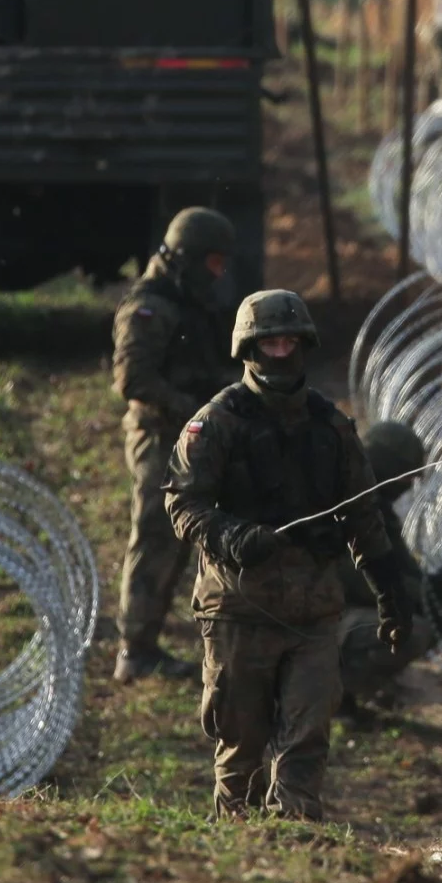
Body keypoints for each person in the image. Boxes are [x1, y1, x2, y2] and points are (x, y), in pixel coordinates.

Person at [164, 289, 409, 818]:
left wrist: (392, 593)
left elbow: (364, 517)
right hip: (238, 610)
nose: (280, 352)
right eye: (268, 343)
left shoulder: (332, 427)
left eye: (289, 342)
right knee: (241, 751)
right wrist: (231, 537)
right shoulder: (217, 424)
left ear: (305, 345)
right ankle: (241, 857)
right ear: (248, 349)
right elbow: (183, 504)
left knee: (306, 744)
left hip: (313, 615)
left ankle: (299, 847)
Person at [110, 207, 239, 682]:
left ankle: (150, 642)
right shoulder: (150, 306)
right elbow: (133, 378)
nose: (219, 274)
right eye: (213, 263)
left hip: (189, 434)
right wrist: (192, 407)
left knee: (183, 540)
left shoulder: (189, 299)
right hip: (160, 435)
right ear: (188, 257)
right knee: (155, 536)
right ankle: (135, 650)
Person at [336, 419, 434, 710]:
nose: (407, 486)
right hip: (319, 616)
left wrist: (430, 589)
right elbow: (359, 578)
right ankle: (332, 696)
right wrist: (419, 594)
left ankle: (350, 692)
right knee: (412, 631)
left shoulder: (377, 507)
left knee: (428, 616)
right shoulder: (344, 503)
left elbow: (400, 565)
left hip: (340, 610)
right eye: (404, 476)